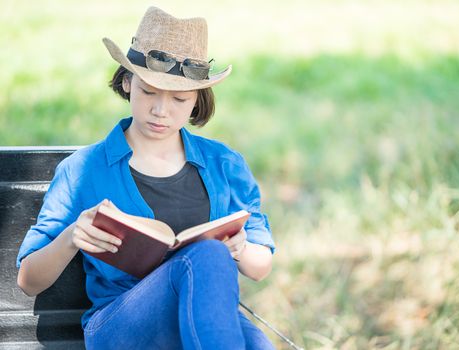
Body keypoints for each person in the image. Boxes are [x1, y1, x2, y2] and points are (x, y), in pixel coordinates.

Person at [16, 6, 275, 349]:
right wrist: (71, 236)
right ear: (127, 81)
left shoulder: (224, 164)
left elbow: (260, 267)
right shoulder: (83, 170)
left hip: (205, 317)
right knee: (209, 258)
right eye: (149, 91)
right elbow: (28, 280)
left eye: (179, 99)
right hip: (121, 326)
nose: (160, 111)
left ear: (197, 100)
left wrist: (240, 248)